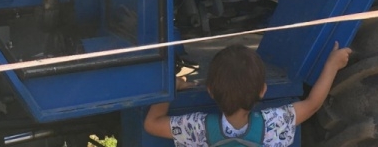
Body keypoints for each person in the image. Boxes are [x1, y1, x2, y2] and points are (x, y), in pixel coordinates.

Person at [143, 42, 351, 146]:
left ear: (210, 91)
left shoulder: (197, 128)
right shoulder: (276, 124)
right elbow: (313, 103)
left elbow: (152, 123)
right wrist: (332, 65)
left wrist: (171, 85)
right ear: (262, 90)